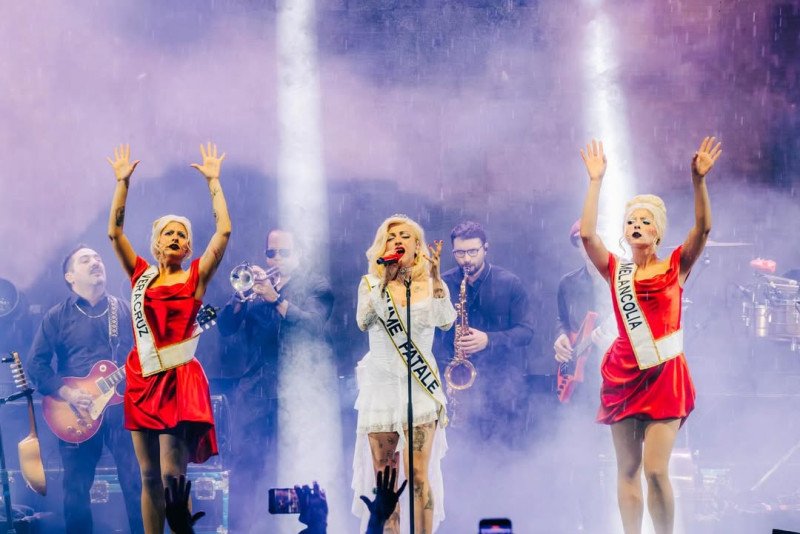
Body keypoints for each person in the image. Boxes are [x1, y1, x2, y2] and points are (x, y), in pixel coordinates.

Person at [578, 137, 721, 534]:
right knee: (626, 468)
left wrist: (698, 181)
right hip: (623, 372)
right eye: (631, 222)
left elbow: (704, 227)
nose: (637, 226)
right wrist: (595, 181)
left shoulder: (676, 264)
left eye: (645, 221)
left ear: (658, 231)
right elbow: (588, 235)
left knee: (657, 470)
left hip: (664, 374)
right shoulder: (616, 270)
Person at [106, 142, 231, 534]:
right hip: (142, 378)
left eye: (182, 234)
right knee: (146, 476)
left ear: (189, 246)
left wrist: (214, 183)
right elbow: (114, 232)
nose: (175, 237)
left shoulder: (195, 278)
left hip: (178, 377)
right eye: (168, 233)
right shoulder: (140, 274)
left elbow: (224, 231)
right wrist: (123, 184)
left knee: (172, 478)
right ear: (157, 242)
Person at [217, 228, 334, 532]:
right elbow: (226, 327)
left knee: (294, 467)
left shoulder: (316, 285)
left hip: (296, 394)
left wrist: (275, 298)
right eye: (271, 253)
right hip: (254, 391)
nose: (277, 258)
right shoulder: (255, 289)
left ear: (299, 255)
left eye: (284, 252)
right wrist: (240, 299)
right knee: (247, 469)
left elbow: (313, 326)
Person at [27, 245, 144, 534]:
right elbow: (36, 365)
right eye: (85, 259)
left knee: (136, 484)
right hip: (75, 413)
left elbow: (143, 357)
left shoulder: (124, 310)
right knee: (76, 492)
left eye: (98, 258)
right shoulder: (57, 316)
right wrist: (66, 393)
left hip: (121, 412)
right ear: (70, 276)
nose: (95, 262)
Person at [351, 214, 456, 534]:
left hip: (420, 392)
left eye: (405, 236)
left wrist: (436, 279)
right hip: (381, 391)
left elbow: (446, 320)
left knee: (419, 476)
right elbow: (364, 321)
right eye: (391, 236)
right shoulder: (370, 284)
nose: (398, 240)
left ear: (418, 246)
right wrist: (386, 279)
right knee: (385, 482)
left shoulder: (430, 284)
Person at [435, 221, 534, 445]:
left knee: (503, 454)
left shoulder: (509, 283)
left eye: (473, 251)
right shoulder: (443, 284)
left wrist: (489, 340)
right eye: (460, 253)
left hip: (502, 384)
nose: (466, 259)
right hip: (459, 386)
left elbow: (526, 332)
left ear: (485, 249)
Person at [552, 221, 616, 531]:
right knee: (584, 459)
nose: (588, 247)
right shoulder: (568, 283)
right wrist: (561, 338)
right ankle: (590, 524)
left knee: (623, 457)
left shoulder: (623, 277)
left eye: (593, 239)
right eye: (582, 241)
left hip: (622, 378)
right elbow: (563, 322)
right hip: (583, 381)